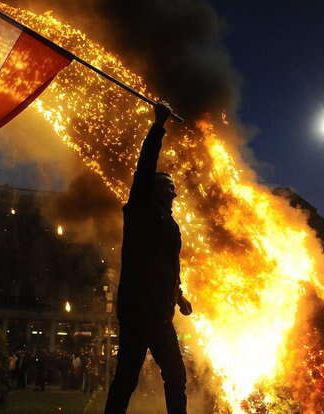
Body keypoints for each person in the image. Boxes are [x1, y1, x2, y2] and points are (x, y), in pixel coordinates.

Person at [104, 102, 193, 414]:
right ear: (154, 191)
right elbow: (145, 165)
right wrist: (158, 126)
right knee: (127, 379)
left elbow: (169, 264)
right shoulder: (140, 210)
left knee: (175, 375)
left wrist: (179, 294)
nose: (173, 192)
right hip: (139, 310)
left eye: (173, 188)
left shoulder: (170, 224)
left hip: (160, 311)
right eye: (168, 187)